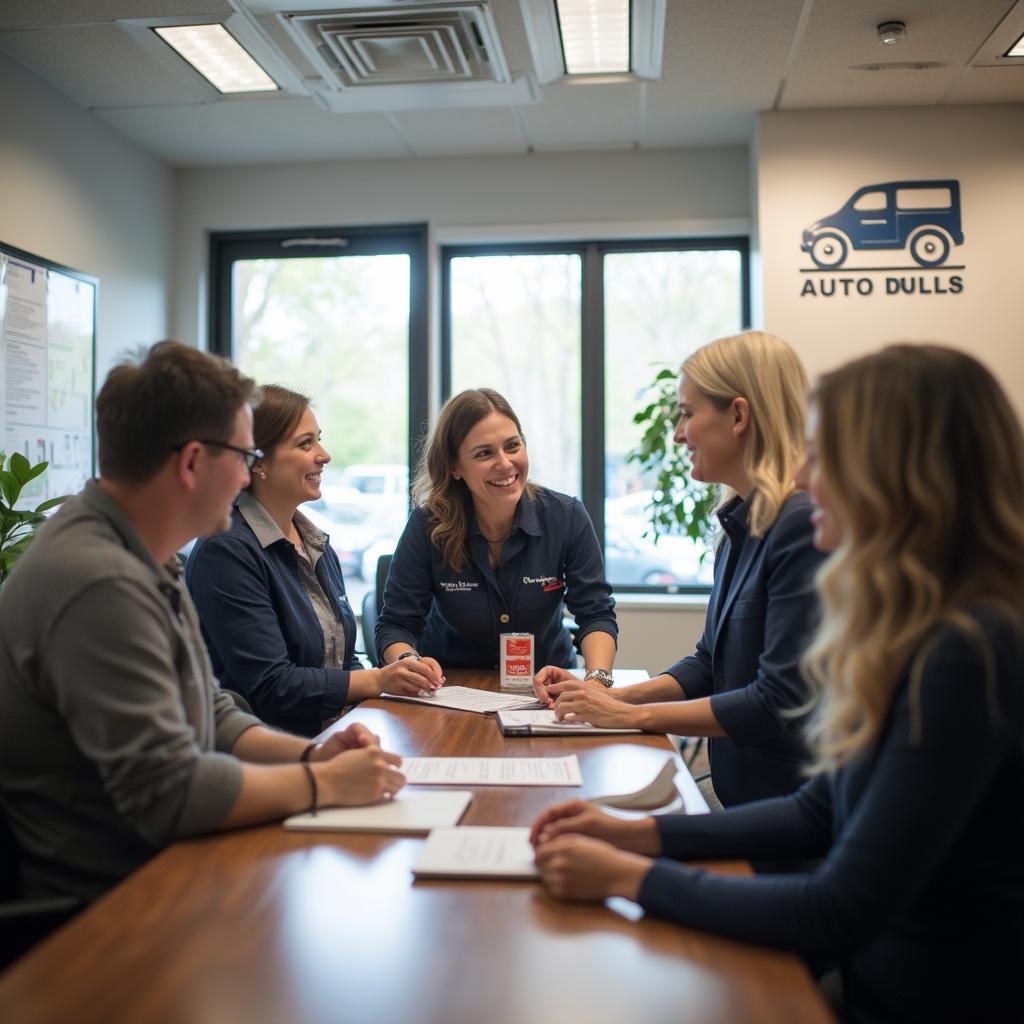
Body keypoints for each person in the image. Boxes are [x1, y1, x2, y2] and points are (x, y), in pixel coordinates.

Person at [530, 344, 1024, 1021]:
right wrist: (638, 835)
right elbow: (821, 809)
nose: (809, 478)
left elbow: (839, 907)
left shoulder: (970, 653)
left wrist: (629, 876)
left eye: (826, 457)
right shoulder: (920, 632)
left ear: (898, 476)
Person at [0, 342, 406, 903]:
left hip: (171, 866)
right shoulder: (101, 581)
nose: (246, 477)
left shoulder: (143, 552)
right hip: (116, 905)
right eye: (243, 457)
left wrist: (313, 755)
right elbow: (167, 792)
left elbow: (208, 707)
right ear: (192, 462)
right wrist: (322, 783)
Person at [535, 331, 825, 806]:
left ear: (738, 415)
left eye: (687, 414)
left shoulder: (797, 526)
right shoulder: (741, 524)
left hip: (785, 808)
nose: (677, 434)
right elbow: (710, 665)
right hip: (745, 800)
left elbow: (776, 699)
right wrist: (609, 698)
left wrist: (630, 717)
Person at [186, 385, 441, 737]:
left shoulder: (314, 543)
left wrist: (399, 677)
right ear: (257, 461)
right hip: (266, 760)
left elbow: (342, 663)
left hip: (331, 739)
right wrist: (378, 679)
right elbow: (272, 686)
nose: (324, 455)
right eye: (306, 444)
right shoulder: (226, 551)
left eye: (318, 440)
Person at [376, 387, 617, 678]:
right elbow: (396, 624)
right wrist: (408, 661)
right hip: (449, 689)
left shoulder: (566, 517)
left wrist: (596, 680)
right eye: (484, 453)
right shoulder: (427, 524)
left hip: (549, 685)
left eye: (513, 446)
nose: (504, 463)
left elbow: (596, 614)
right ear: (454, 466)